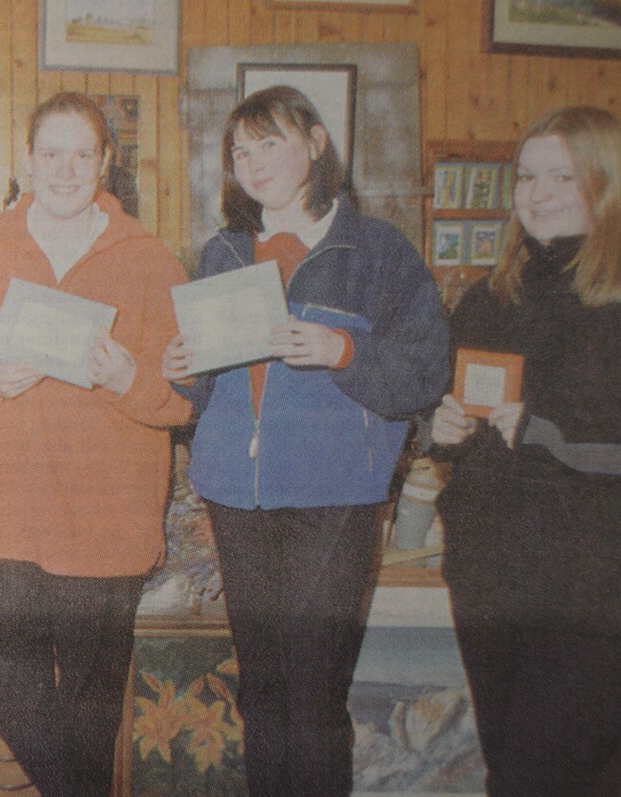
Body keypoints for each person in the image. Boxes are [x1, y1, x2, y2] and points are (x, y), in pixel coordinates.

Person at [163, 85, 450, 797]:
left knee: (314, 693)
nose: (253, 162)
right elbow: (205, 395)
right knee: (260, 688)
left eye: (271, 143)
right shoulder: (223, 250)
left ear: (317, 143)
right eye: (240, 150)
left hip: (334, 496)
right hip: (236, 493)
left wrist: (343, 349)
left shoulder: (376, 250)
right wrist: (182, 368)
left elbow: (425, 371)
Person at [428, 105, 621, 797]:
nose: (537, 192)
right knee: (512, 775)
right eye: (526, 175)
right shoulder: (491, 296)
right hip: (495, 582)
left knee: (530, 782)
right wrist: (443, 427)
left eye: (561, 175)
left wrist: (544, 429)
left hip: (603, 595)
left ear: (608, 184)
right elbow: (461, 412)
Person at [0, 91, 191, 797]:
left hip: (105, 521)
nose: (67, 169)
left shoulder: (151, 260)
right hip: (4, 511)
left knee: (90, 701)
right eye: (52, 153)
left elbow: (186, 397)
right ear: (27, 160)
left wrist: (131, 375)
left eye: (83, 153)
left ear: (107, 162)